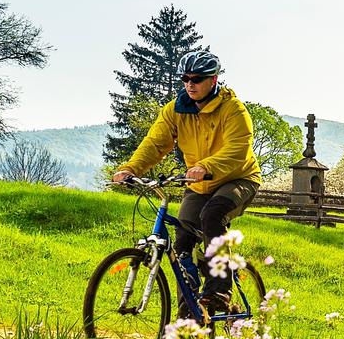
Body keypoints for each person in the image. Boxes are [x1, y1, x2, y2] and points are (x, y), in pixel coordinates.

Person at [112, 50, 262, 314]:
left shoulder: (233, 109)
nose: (190, 84)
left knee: (212, 215)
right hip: (199, 184)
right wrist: (129, 169)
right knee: (181, 242)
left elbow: (237, 148)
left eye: (197, 78)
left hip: (238, 178)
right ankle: (190, 312)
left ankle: (220, 291)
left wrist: (206, 166)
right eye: (185, 78)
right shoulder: (175, 110)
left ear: (213, 79)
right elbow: (155, 144)